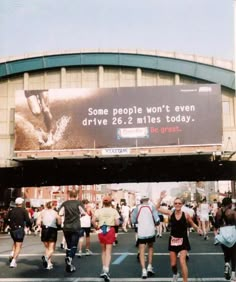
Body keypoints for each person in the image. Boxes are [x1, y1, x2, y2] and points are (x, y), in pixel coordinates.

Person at [156, 191, 202, 282]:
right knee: (173, 264)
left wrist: (198, 229)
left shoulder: (185, 215)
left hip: (183, 240)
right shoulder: (170, 213)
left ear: (182, 205)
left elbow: (192, 224)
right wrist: (161, 198)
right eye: (175, 203)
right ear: (173, 204)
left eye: (179, 203)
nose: (177, 205)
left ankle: (185, 280)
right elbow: (157, 208)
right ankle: (175, 274)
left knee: (182, 261)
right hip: (173, 240)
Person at [131, 194, 160, 279]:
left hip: (141, 231)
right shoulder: (152, 207)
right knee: (150, 248)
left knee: (142, 251)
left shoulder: (137, 208)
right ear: (148, 199)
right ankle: (149, 267)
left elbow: (133, 220)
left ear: (141, 200)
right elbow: (157, 220)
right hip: (150, 231)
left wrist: (139, 221)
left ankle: (143, 270)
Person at [92, 195, 120, 282]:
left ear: (103, 202)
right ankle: (106, 270)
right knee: (108, 251)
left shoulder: (98, 210)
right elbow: (117, 223)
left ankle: (103, 269)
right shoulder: (114, 211)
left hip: (101, 229)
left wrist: (96, 227)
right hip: (110, 229)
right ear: (110, 202)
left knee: (103, 250)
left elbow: (93, 220)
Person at [59, 190, 86, 273]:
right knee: (74, 245)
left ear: (69, 195)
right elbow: (84, 213)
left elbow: (60, 213)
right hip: (75, 226)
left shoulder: (65, 203)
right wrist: (78, 215)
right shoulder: (79, 203)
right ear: (76, 195)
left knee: (68, 245)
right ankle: (69, 258)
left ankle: (69, 264)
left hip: (66, 226)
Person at [6, 197, 32, 268]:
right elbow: (28, 220)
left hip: (12, 229)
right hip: (19, 229)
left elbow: (6, 218)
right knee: (18, 245)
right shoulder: (24, 211)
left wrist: (9, 224)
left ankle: (12, 254)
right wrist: (30, 226)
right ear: (21, 203)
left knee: (15, 242)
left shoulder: (11, 210)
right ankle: (13, 261)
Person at [214, 197, 236, 281]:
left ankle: (227, 264)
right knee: (233, 254)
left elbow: (216, 225)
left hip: (223, 232)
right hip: (232, 232)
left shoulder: (218, 212)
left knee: (226, 252)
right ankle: (233, 275)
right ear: (230, 204)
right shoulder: (233, 212)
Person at [36, 201, 61, 270]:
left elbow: (38, 222)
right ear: (53, 206)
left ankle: (48, 263)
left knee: (47, 248)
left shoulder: (42, 212)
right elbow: (59, 220)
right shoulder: (55, 212)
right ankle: (46, 257)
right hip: (52, 229)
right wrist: (59, 224)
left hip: (44, 229)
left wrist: (40, 226)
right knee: (52, 248)